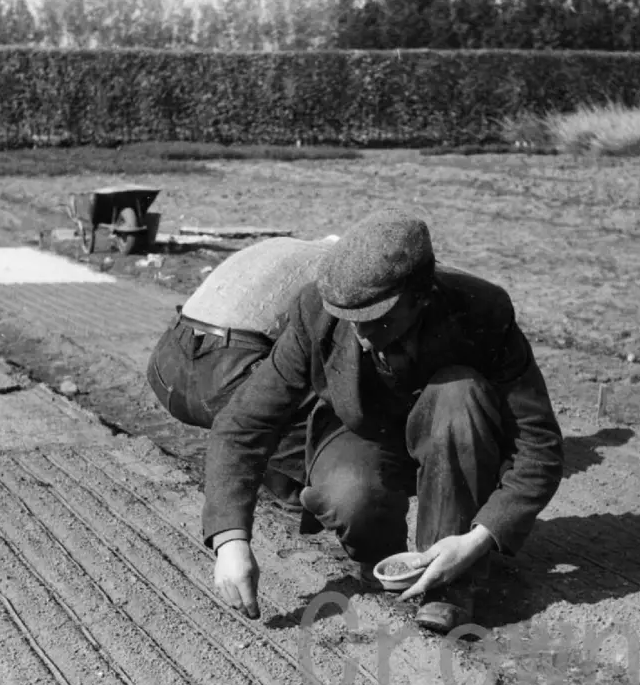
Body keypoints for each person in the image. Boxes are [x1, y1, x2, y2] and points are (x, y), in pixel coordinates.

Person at [203, 208, 565, 635]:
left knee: (458, 390)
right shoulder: (316, 312)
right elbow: (244, 423)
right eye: (349, 321)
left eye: (377, 321)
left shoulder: (482, 312)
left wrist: (476, 540)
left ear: (422, 295)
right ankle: (383, 558)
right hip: (364, 433)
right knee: (349, 494)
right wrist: (231, 543)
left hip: (454, 434)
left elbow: (539, 449)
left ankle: (448, 585)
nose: (359, 336)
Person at [147, 234, 340, 510]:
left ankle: (260, 463)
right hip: (223, 374)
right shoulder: (332, 270)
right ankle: (297, 487)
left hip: (165, 365)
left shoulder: (282, 246)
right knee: (320, 390)